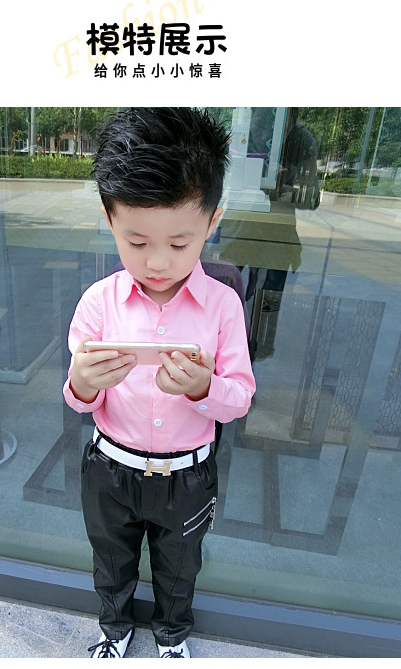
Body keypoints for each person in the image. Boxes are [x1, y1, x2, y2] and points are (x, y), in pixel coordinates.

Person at [63, 108, 256, 659]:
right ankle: (114, 630)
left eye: (178, 243)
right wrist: (82, 382)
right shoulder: (98, 302)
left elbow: (240, 399)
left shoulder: (223, 305)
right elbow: (79, 399)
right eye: (136, 241)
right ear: (110, 219)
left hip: (186, 474)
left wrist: (203, 387)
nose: (156, 262)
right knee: (110, 558)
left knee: (180, 565)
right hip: (110, 467)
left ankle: (172, 637)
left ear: (212, 221)